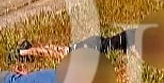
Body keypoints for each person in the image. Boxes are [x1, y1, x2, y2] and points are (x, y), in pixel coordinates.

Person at [9, 29, 140, 61]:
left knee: (65, 50)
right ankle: (22, 53)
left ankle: (29, 49)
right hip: (95, 49)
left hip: (97, 42)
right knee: (64, 54)